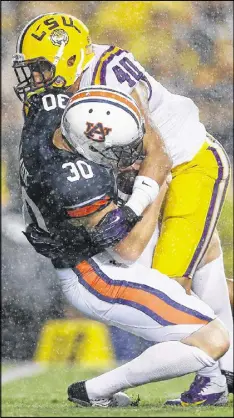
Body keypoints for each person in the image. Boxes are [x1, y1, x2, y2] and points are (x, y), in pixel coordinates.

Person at [12, 12, 233, 399]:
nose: (38, 78)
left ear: (67, 59)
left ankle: (214, 379)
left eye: (42, 68)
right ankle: (223, 373)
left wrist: (149, 183)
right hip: (157, 172)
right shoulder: (81, 75)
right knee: (197, 269)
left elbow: (152, 151)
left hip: (187, 164)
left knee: (172, 285)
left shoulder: (98, 86)